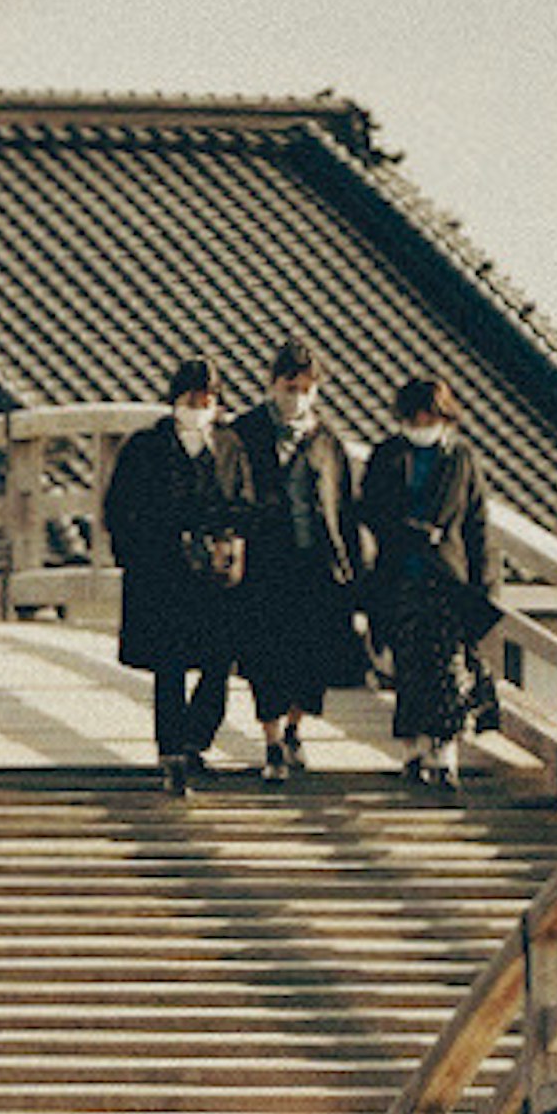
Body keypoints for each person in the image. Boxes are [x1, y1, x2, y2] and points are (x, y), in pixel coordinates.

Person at [103, 352, 253, 788]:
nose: (199, 406)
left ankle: (196, 739)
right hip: (162, 571)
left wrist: (231, 537)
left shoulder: (229, 446)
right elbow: (119, 507)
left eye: (207, 399)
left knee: (218, 661)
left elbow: (245, 500)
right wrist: (135, 552)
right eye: (191, 398)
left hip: (214, 573)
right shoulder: (146, 446)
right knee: (169, 665)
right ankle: (171, 750)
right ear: (174, 401)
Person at [351, 366, 495, 793]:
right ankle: (413, 750)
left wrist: (485, 585)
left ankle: (445, 752)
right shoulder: (387, 455)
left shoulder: (463, 460)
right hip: (398, 573)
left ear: (445, 418)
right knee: (408, 665)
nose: (421, 427)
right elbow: (367, 510)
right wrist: (401, 528)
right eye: (414, 419)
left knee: (448, 666)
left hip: (448, 576)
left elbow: (478, 524)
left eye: (429, 419)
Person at [229, 334, 362, 780]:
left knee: (309, 656)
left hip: (313, 565)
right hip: (263, 564)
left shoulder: (327, 441)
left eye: (306, 388)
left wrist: (352, 572)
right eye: (290, 387)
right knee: (265, 655)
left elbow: (344, 509)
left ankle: (293, 730)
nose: (297, 397)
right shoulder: (245, 433)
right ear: (272, 385)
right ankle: (270, 743)